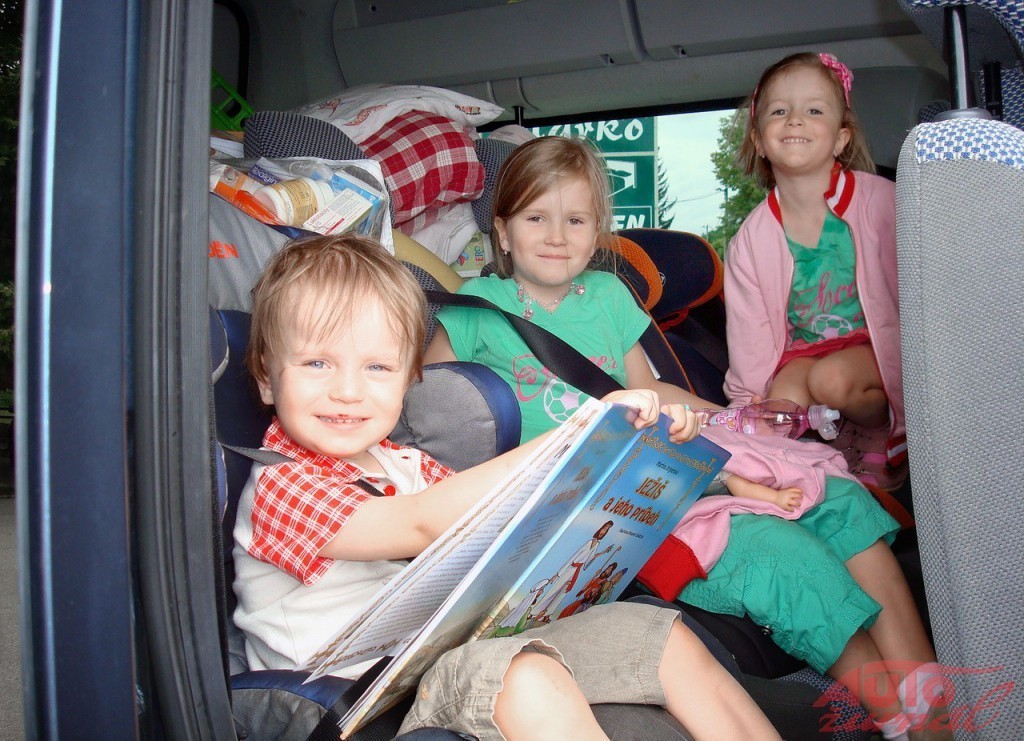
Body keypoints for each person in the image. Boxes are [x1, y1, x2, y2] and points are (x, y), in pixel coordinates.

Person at [424, 134, 949, 739]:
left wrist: (736, 425)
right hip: (603, 505)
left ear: (597, 232)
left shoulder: (608, 295)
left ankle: (927, 694)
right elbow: (438, 411)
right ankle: (893, 715)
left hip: (661, 460)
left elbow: (651, 390)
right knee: (781, 551)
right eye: (535, 218)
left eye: (576, 220)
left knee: (837, 496)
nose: (557, 236)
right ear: (502, 229)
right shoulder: (477, 307)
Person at [231, 233, 780, 740]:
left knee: (659, 637)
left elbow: (502, 518)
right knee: (524, 677)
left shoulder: (403, 463)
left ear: (408, 379)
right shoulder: (281, 485)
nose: (348, 391)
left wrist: (633, 448)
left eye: (377, 367)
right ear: (265, 377)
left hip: (443, 654)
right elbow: (418, 523)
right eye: (318, 363)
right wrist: (579, 434)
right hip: (362, 699)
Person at [724, 52, 905, 490]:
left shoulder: (884, 203)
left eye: (814, 110)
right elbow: (750, 333)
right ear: (759, 140)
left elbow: (918, 294)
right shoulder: (752, 238)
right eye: (779, 111)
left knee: (831, 380)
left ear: (841, 138)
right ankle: (800, 470)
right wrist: (750, 406)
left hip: (875, 348)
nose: (795, 119)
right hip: (806, 352)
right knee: (780, 404)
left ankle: (880, 432)